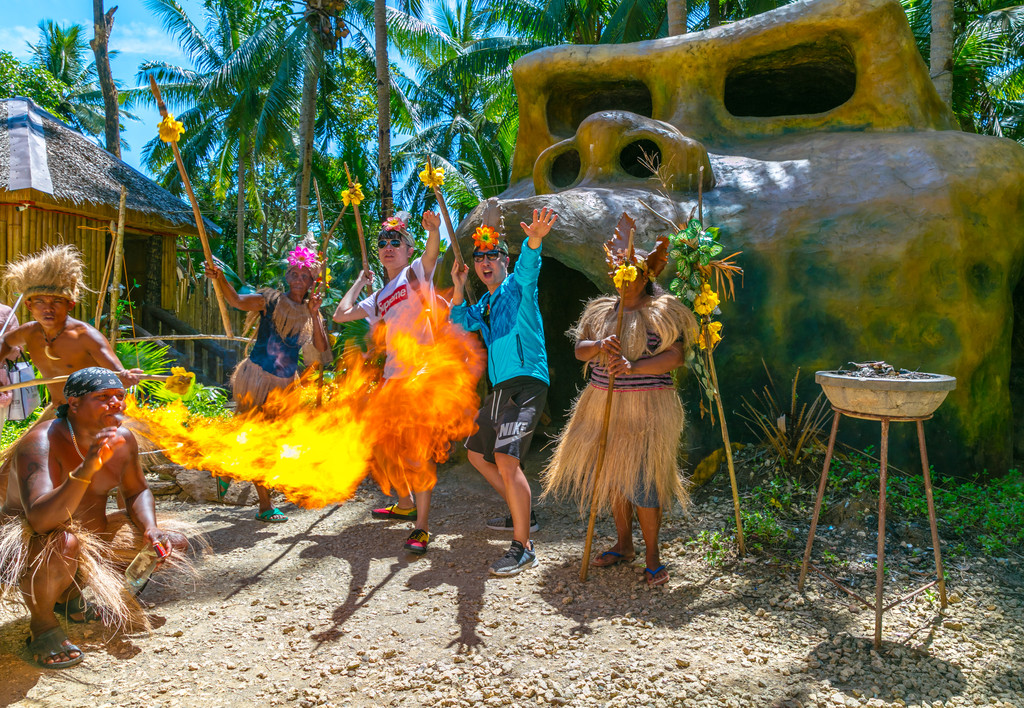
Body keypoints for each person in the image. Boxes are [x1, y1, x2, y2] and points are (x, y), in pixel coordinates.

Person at [0, 368, 189, 668]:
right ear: (73, 404)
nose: (116, 404)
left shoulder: (123, 439)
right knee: (63, 542)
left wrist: (151, 529)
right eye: (103, 397)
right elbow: (40, 520)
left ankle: (71, 599)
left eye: (119, 396)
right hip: (32, 546)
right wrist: (87, 468)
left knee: (171, 542)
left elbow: (137, 490)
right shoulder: (40, 441)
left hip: (91, 538)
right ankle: (43, 626)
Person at [542, 224, 697, 587]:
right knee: (613, 479)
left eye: (633, 274)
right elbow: (580, 348)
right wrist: (598, 347)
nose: (625, 281)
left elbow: (675, 357)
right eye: (619, 274)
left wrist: (633, 366)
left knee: (644, 482)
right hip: (603, 405)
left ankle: (653, 557)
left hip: (648, 410)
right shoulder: (600, 312)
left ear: (647, 276)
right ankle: (623, 544)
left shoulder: (664, 311)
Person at [450, 205, 558, 576]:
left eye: (492, 256)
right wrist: (459, 285)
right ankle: (521, 513)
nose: (485, 262)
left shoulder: (517, 285)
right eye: (479, 257)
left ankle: (523, 545)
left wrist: (535, 240)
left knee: (508, 461)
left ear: (504, 260)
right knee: (478, 455)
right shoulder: (487, 301)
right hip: (500, 389)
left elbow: (530, 265)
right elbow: (458, 320)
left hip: (526, 381)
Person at [333, 211, 442, 555]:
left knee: (417, 453)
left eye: (396, 241)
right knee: (378, 444)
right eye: (382, 243)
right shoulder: (379, 296)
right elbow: (340, 314)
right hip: (391, 378)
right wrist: (360, 283)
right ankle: (405, 502)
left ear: (408, 249)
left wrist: (435, 231)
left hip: (419, 376)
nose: (388, 247)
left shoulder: (414, 275)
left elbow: (432, 254)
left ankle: (421, 528)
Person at [0, 245, 143, 504]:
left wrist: (125, 376)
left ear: (70, 304)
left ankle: (131, 525)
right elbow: (6, 343)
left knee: (121, 473)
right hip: (57, 411)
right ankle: (26, 524)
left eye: (56, 301)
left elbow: (115, 373)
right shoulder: (29, 332)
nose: (48, 308)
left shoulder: (85, 335)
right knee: (14, 469)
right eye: (40, 301)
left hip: (94, 415)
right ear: (29, 305)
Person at [205, 240, 330, 523]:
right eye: (295, 274)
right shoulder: (269, 300)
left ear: (313, 282)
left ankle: (226, 468)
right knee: (259, 438)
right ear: (287, 276)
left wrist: (314, 313)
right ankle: (263, 505)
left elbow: (321, 348)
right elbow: (236, 301)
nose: (299, 280)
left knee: (274, 441)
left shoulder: (311, 311)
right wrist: (220, 278)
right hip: (257, 378)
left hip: (285, 385)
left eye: (305, 276)